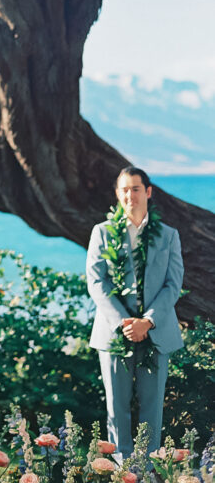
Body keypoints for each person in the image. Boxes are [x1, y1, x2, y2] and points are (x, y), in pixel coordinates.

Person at [86, 166, 184, 462]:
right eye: (124, 189)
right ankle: (121, 471)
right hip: (115, 333)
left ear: (148, 192)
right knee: (117, 407)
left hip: (155, 332)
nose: (130, 195)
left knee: (152, 407)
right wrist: (124, 323)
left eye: (136, 189)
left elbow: (173, 283)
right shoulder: (101, 233)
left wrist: (148, 321)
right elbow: (96, 281)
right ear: (118, 194)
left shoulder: (168, 236)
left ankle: (149, 467)